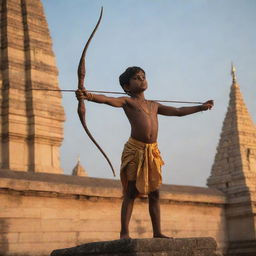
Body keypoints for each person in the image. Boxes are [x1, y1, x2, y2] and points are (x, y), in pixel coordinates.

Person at [76, 66, 213, 239]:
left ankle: (157, 232)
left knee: (155, 192)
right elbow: (107, 100)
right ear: (127, 86)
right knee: (131, 192)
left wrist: (200, 107)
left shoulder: (154, 105)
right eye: (136, 78)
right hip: (135, 150)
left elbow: (178, 112)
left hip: (152, 151)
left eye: (143, 77)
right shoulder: (127, 102)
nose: (141, 79)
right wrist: (88, 96)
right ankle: (124, 232)